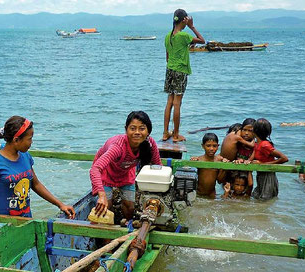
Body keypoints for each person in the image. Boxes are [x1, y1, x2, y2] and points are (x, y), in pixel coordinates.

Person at [0, 116, 76, 218]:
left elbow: (36, 184)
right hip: (3, 223)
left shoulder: (25, 156)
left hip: (26, 219)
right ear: (16, 140)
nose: (31, 142)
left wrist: (60, 205)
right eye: (29, 138)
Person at [90, 111, 162, 220]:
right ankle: (108, 235)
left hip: (126, 173)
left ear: (148, 131)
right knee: (105, 209)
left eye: (142, 128)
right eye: (132, 128)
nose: (137, 132)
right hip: (105, 174)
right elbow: (95, 169)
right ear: (126, 129)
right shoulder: (118, 146)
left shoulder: (150, 144)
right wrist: (101, 195)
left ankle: (127, 227)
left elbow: (157, 166)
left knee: (130, 208)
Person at [162, 9, 205, 143]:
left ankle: (165, 133)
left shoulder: (168, 36)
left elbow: (167, 57)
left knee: (169, 102)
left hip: (170, 69)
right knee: (177, 103)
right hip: (180, 71)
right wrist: (192, 26)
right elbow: (202, 41)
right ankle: (175, 134)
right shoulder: (184, 36)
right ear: (184, 20)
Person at [250, 118, 288, 200]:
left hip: (268, 175)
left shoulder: (265, 145)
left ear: (255, 131)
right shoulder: (257, 144)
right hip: (261, 174)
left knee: (265, 199)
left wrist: (262, 164)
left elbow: (284, 158)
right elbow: (253, 155)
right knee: (257, 196)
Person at [190, 133, 226, 198]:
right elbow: (190, 170)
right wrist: (193, 160)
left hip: (212, 194)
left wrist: (224, 166)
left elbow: (220, 180)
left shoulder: (219, 160)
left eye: (214, 146)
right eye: (208, 146)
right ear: (203, 146)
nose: (211, 149)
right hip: (199, 193)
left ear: (218, 146)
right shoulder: (199, 159)